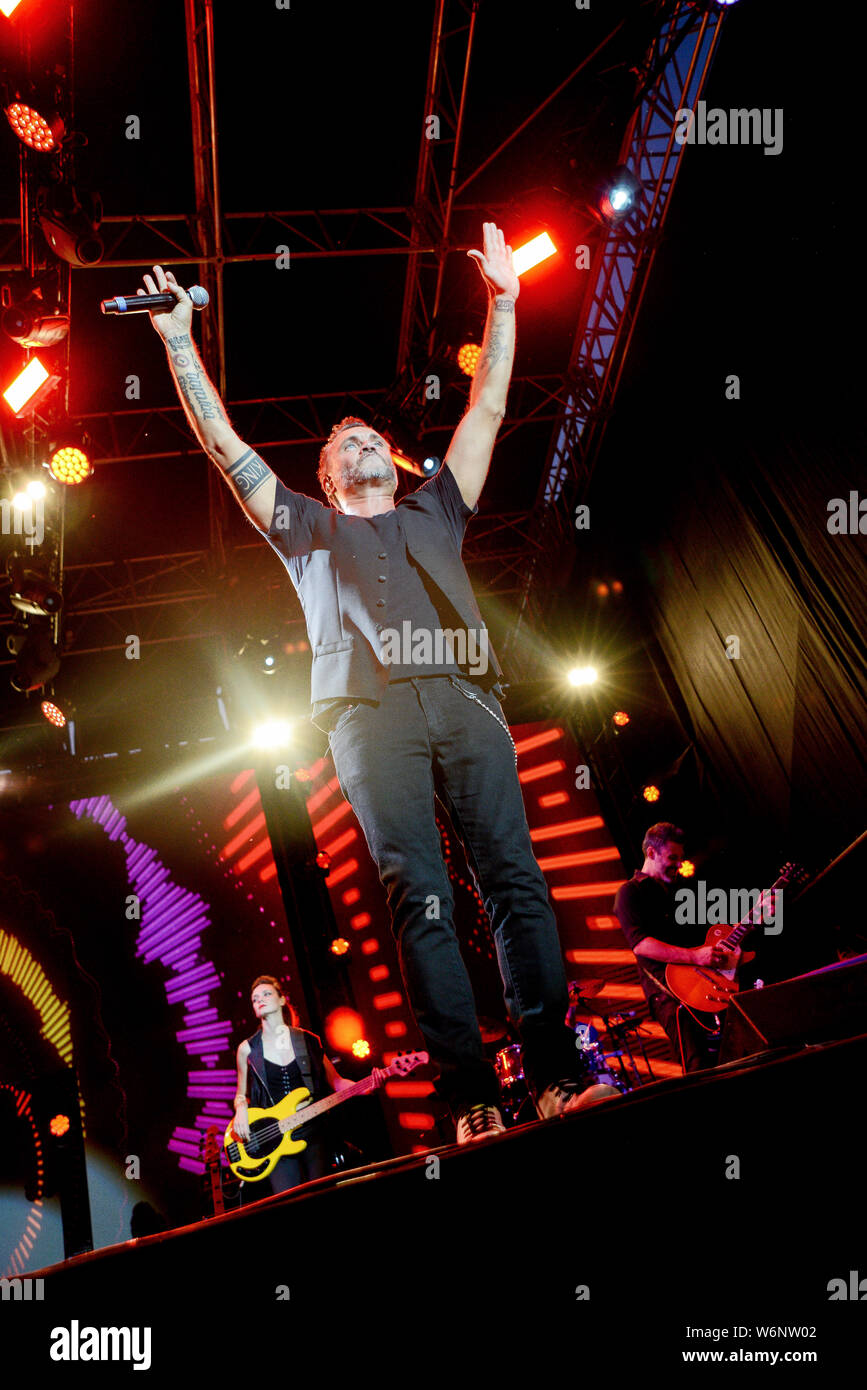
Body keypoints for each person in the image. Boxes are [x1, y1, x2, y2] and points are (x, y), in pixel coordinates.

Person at [141, 223, 592, 1143]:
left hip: (464, 697)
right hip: (366, 713)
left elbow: (490, 409)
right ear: (327, 473)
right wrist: (180, 342)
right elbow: (227, 450)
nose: (361, 442)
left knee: (512, 877)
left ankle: (551, 1075)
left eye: (371, 435)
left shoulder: (437, 504)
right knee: (417, 891)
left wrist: (504, 303)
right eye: (345, 442)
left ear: (392, 458)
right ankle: (469, 1098)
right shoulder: (305, 528)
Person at [233, 975, 381, 1199]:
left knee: (319, 1199)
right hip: (275, 1138)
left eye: (266, 994)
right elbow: (240, 1095)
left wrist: (367, 1085)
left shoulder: (308, 1041)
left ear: (282, 1000)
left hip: (314, 1133)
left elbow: (337, 1082)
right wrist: (241, 1109)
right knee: (288, 1203)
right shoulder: (247, 1049)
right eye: (254, 999)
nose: (259, 1000)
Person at [614, 823, 739, 1072]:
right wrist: (695, 956)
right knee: (698, 1066)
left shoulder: (679, 891)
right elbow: (640, 945)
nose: (678, 864)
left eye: (681, 859)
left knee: (733, 1054)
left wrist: (753, 917)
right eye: (672, 857)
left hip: (703, 986)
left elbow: (709, 937)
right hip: (670, 995)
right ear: (651, 853)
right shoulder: (630, 892)